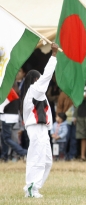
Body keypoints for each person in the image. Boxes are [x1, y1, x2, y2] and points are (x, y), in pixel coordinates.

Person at [22, 43, 58, 198]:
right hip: (36, 128)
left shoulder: (36, 93)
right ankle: (31, 187)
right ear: (36, 79)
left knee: (47, 161)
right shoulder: (35, 90)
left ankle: (35, 186)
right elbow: (47, 75)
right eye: (39, 79)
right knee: (36, 157)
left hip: (42, 128)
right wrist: (53, 55)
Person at [0, 83, 27, 162]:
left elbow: (2, 107)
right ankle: (4, 156)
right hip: (12, 117)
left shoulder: (6, 91)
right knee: (3, 137)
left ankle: (23, 152)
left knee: (6, 138)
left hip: (7, 117)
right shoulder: (10, 91)